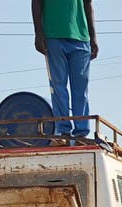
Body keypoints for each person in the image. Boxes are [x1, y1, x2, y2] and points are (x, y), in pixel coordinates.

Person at [32, 0, 98, 140]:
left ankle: (81, 133)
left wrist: (93, 37)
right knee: (58, 87)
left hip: (81, 37)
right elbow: (36, 2)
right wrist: (38, 33)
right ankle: (63, 132)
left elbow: (88, 4)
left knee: (80, 89)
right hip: (53, 35)